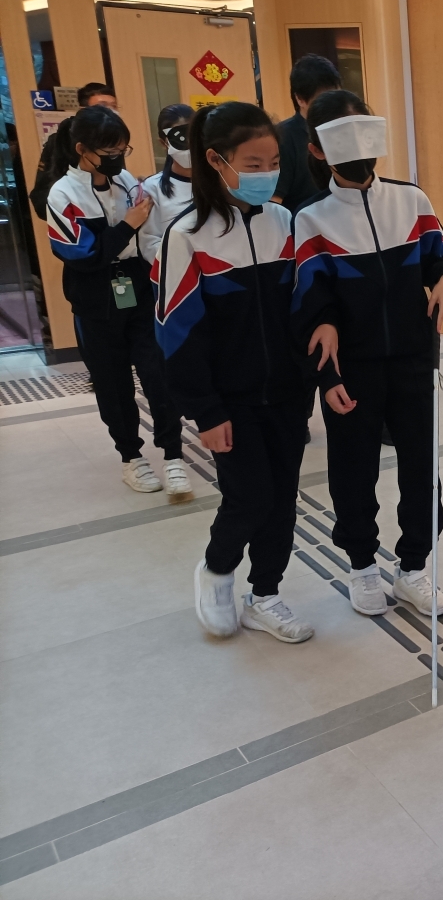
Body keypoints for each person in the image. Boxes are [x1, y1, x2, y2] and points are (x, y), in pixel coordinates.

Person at [291, 90, 443, 620]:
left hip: (413, 360)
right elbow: (309, 305)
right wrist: (328, 376)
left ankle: (413, 567)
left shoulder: (411, 200)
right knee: (353, 470)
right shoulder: (311, 219)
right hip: (353, 371)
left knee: (421, 468)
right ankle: (362, 566)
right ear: (317, 150)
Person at [156, 102, 313, 643]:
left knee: (283, 500)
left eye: (274, 162)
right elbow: (177, 333)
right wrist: (206, 410)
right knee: (249, 498)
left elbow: (303, 308)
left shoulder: (285, 224)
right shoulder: (187, 236)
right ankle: (217, 571)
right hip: (230, 401)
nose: (266, 173)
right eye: (253, 164)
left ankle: (265, 594)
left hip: (287, 394)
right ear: (216, 161)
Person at [44, 106, 191, 501]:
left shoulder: (126, 181)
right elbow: (83, 256)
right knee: (113, 383)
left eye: (122, 150)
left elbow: (146, 235)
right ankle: (131, 457)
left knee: (158, 372)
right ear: (82, 149)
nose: (117, 159)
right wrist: (127, 224)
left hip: (138, 286)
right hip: (94, 296)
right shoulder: (63, 194)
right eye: (108, 152)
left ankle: (173, 455)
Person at [31, 83, 117, 221]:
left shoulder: (115, 140)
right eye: (102, 106)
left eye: (114, 106)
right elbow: (42, 195)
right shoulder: (62, 139)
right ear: (83, 110)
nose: (110, 112)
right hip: (78, 219)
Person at [273, 54, 341, 213]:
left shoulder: (339, 130)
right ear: (300, 99)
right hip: (301, 223)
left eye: (335, 95)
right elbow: (274, 205)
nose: (332, 105)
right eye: (323, 98)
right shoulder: (283, 137)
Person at [138, 104, 194, 267]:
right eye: (180, 140)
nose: (189, 146)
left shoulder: (220, 181)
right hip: (178, 272)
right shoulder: (153, 188)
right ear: (164, 143)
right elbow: (149, 243)